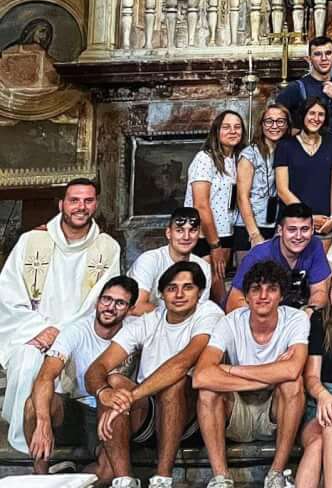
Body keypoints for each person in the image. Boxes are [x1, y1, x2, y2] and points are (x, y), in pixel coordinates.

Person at [1, 179, 122, 455]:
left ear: (96, 204)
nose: (81, 207)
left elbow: (101, 302)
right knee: (27, 361)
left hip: (79, 336)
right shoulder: (31, 241)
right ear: (61, 204)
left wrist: (63, 335)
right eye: (74, 200)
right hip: (34, 333)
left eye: (88, 200)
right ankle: (25, 444)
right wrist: (37, 329)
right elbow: (7, 293)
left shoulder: (107, 248)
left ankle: (60, 440)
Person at [88, 263, 222, 488]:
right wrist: (105, 394)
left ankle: (162, 478)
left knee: (174, 385)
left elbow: (182, 363)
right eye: (171, 288)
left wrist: (132, 396)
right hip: (150, 411)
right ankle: (124, 480)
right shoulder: (149, 320)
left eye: (187, 287)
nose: (179, 294)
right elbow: (97, 367)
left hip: (195, 412)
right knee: (113, 383)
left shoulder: (209, 312)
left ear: (199, 292)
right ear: (161, 294)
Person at [193, 261, 309, 488]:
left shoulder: (296, 319)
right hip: (237, 407)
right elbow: (201, 376)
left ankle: (276, 474)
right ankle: (221, 478)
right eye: (256, 289)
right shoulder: (230, 322)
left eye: (271, 289)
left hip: (274, 410)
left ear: (281, 295)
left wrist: (231, 370)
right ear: (246, 296)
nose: (263, 296)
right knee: (207, 392)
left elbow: (292, 369)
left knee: (293, 384)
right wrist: (266, 377)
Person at [21, 274, 136, 474]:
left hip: (109, 411)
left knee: (109, 473)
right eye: (106, 299)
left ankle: (67, 479)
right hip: (76, 407)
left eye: (119, 303)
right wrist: (43, 422)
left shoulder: (136, 330)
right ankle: (41, 477)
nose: (110, 307)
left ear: (131, 309)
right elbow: (46, 376)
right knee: (33, 405)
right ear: (97, 301)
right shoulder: (76, 331)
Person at [227, 204, 331, 312]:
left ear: (312, 230)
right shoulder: (259, 255)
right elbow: (234, 301)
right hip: (261, 314)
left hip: (298, 314)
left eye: (305, 229)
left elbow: (320, 291)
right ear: (280, 230)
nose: (298, 236)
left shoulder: (315, 245)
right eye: (292, 230)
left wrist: (309, 311)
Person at [186, 110, 243, 299]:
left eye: (237, 127)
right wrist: (215, 245)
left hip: (226, 232)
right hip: (205, 237)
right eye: (226, 127)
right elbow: (200, 205)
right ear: (216, 131)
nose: (233, 131)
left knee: (220, 284)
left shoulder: (235, 159)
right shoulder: (205, 159)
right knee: (210, 290)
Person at [275, 97, 332, 241]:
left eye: (321, 114)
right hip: (293, 222)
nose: (316, 118)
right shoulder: (285, 146)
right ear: (303, 115)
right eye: (312, 113)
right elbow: (282, 189)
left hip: (323, 224)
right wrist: (308, 217)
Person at [273, 36, 332, 145]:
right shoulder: (295, 88)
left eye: (328, 53)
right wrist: (303, 134)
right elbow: (276, 124)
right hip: (305, 152)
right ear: (309, 59)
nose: (324, 58)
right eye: (317, 54)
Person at [129, 206, 212, 313]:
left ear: (199, 234)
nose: (186, 237)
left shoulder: (204, 268)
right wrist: (174, 316)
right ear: (168, 233)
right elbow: (137, 306)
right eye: (179, 230)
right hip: (143, 320)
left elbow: (199, 310)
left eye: (192, 230)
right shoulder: (149, 260)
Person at [236, 105, 290, 252]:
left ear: (287, 125)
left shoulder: (287, 152)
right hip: (249, 226)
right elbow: (242, 196)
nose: (274, 126)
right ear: (261, 124)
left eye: (280, 121)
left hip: (276, 225)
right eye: (269, 121)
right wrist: (254, 234)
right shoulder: (249, 154)